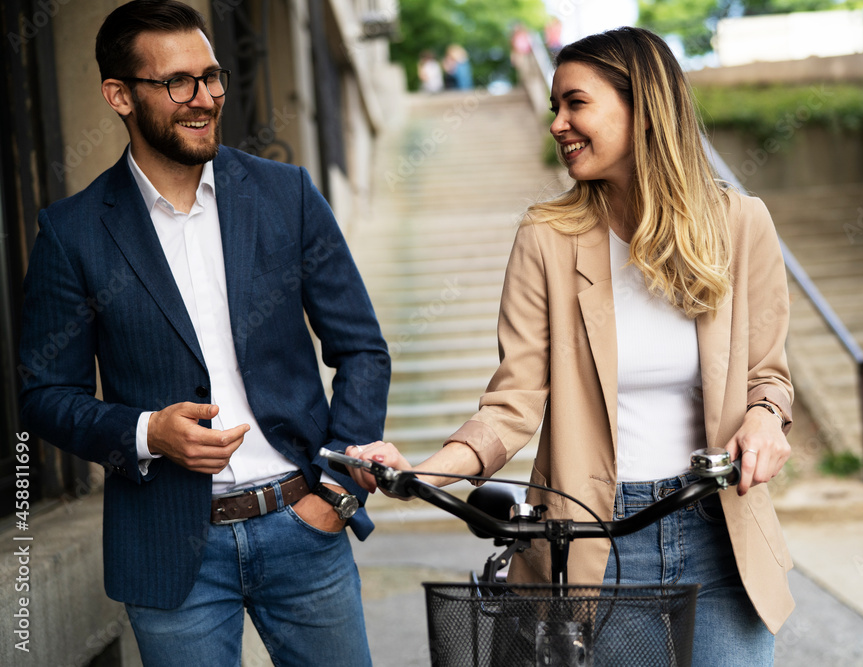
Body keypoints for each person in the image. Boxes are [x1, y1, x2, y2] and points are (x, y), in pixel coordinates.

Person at [349, 26, 794, 666]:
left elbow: (768, 377)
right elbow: (514, 402)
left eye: (574, 103)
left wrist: (763, 418)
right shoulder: (547, 239)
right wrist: (423, 472)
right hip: (599, 541)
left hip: (723, 530)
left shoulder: (741, 224)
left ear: (641, 107)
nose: (557, 123)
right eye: (555, 106)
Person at [17, 2, 390, 665]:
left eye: (212, 76)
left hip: (304, 524)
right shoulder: (72, 233)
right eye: (178, 83)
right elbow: (44, 392)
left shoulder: (286, 195)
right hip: (169, 550)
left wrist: (338, 490)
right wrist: (146, 432)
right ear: (120, 95)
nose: (205, 98)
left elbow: (362, 348)